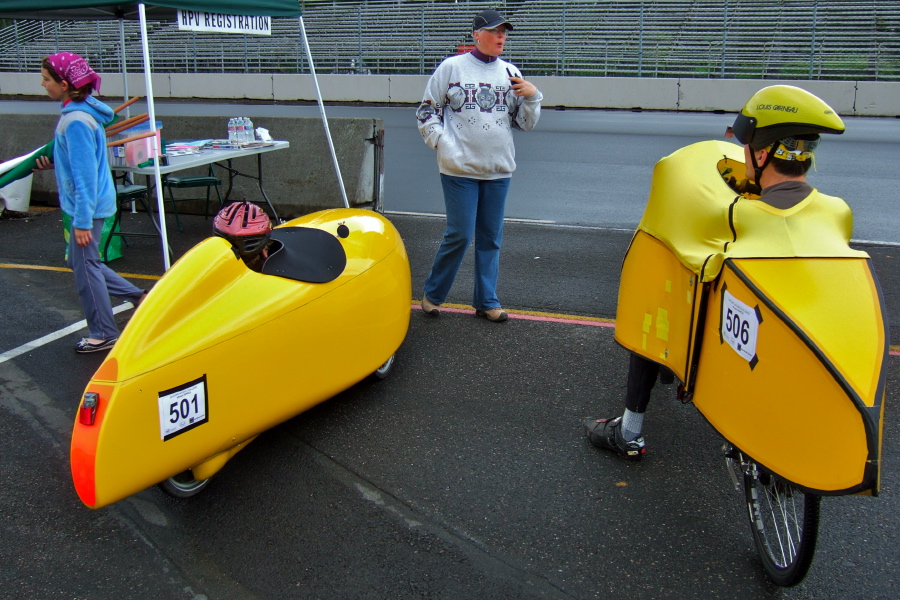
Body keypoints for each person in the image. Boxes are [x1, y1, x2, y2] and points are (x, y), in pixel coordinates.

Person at [584, 85, 846, 459]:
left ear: (759, 152)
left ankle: (629, 432)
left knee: (657, 286)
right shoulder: (835, 213)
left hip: (730, 334)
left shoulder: (738, 215)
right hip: (797, 344)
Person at [416, 9, 543, 323]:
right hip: (459, 169)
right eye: (494, 31)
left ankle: (486, 301)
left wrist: (533, 97)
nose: (501, 36)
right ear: (476, 35)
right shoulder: (452, 68)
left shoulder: (510, 71)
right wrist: (442, 143)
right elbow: (426, 111)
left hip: (498, 169)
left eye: (504, 32)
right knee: (459, 233)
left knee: (490, 237)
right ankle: (433, 294)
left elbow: (524, 124)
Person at [39, 52, 146, 354]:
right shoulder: (86, 110)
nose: (42, 84)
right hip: (93, 200)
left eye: (46, 79)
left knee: (86, 268)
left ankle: (103, 331)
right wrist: (51, 163)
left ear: (63, 84)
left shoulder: (75, 121)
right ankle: (138, 297)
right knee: (82, 262)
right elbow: (79, 163)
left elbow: (84, 176)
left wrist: (82, 221)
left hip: (87, 205)